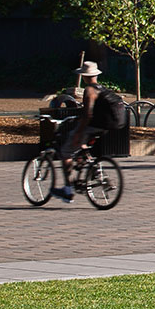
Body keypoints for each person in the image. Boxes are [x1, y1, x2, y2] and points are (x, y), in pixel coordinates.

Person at [53, 61, 106, 203]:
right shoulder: (103, 89)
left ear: (84, 76)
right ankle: (94, 169)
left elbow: (87, 114)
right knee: (82, 146)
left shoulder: (89, 90)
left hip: (91, 126)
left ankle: (68, 190)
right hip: (105, 126)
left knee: (66, 152)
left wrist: (78, 132)